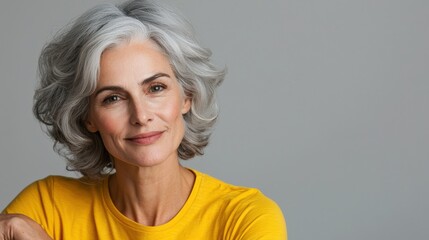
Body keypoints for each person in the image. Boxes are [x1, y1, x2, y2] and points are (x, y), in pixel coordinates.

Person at [0, 0, 287, 239]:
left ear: (186, 96)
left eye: (156, 88)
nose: (141, 115)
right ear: (88, 117)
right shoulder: (47, 206)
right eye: (113, 98)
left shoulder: (245, 219)